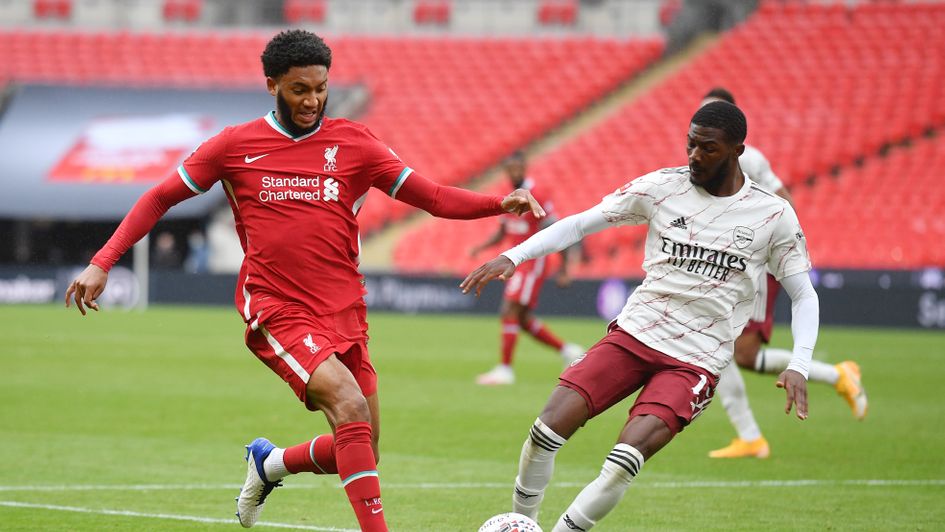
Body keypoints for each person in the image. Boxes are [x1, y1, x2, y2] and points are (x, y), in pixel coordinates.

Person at [64, 29, 544, 532]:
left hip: (345, 309)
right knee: (349, 404)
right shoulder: (234, 146)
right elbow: (160, 197)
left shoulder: (355, 143)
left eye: (321, 88)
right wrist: (103, 261)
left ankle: (268, 464)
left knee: (361, 448)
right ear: (272, 84)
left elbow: (434, 197)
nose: (312, 100)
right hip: (277, 307)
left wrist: (497, 202)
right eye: (299, 89)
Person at [461, 101, 819, 531]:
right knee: (544, 432)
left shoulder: (772, 215)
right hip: (634, 334)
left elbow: (803, 294)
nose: (694, 156)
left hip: (695, 361)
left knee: (622, 461)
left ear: (737, 151)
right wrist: (513, 256)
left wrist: (799, 363)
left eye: (708, 148)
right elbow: (579, 224)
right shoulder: (661, 188)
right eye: (690, 144)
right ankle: (522, 525)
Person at [699, 88, 867, 460]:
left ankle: (834, 377)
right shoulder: (709, 162)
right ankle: (752, 436)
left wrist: (784, 252)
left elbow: (783, 199)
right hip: (731, 262)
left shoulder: (750, 159)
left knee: (737, 352)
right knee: (720, 348)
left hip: (755, 265)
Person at [469, 151, 584, 385]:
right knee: (521, 318)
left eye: (517, 167)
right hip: (515, 260)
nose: (514, 172)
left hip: (532, 261)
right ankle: (568, 351)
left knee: (508, 310)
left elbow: (555, 228)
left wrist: (563, 267)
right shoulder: (507, 196)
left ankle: (505, 369)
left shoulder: (537, 193)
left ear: (524, 167)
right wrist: (481, 247)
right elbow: (504, 230)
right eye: (509, 168)